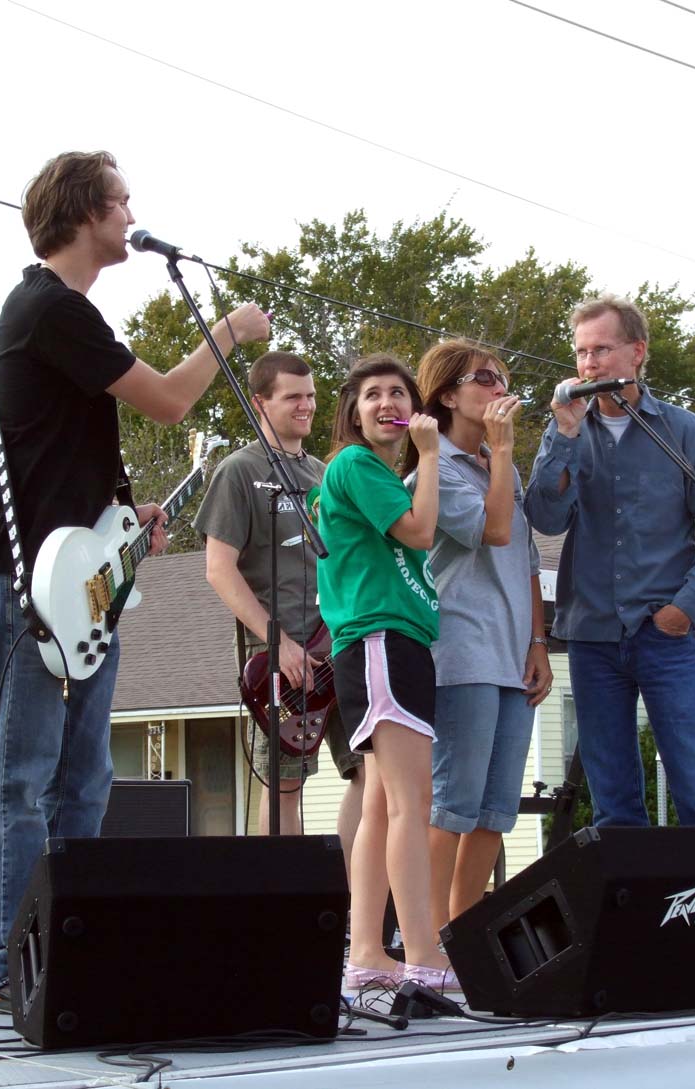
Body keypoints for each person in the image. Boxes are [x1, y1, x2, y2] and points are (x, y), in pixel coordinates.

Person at [0, 150, 270, 1014]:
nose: (133, 212)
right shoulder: (46, 307)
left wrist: (128, 532)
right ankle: (8, 963)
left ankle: (63, 949)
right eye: (122, 199)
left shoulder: (67, 319)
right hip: (23, 583)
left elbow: (66, 460)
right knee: (20, 778)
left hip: (75, 579)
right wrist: (231, 332)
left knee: (84, 781)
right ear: (83, 210)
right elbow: (171, 400)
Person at [524, 293, 695, 828]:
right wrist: (565, 433)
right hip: (594, 637)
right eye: (580, 352)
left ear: (637, 352)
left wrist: (686, 607)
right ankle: (634, 912)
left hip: (664, 634)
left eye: (602, 349)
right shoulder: (566, 432)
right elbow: (545, 518)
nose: (589, 363)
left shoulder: (684, 432)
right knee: (613, 800)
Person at [317, 353, 460, 992]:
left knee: (379, 804)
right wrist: (430, 457)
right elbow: (421, 532)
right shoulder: (355, 465)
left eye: (398, 393)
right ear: (352, 412)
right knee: (412, 803)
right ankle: (425, 952)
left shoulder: (374, 473)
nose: (387, 404)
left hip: (390, 641)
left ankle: (368, 952)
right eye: (372, 394)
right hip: (380, 639)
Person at [193, 351, 365, 849]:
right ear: (260, 403)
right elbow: (218, 569)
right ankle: (290, 915)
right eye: (293, 397)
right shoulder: (238, 471)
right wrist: (281, 641)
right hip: (278, 657)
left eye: (311, 395)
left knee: (368, 770)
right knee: (285, 784)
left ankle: (355, 906)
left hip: (341, 645)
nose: (306, 406)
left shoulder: (324, 472)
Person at [410, 339, 552, 939]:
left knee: (496, 811)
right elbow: (493, 532)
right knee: (453, 806)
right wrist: (502, 450)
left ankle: (461, 936)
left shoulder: (503, 466)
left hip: (514, 653)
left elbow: (524, 558)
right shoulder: (433, 465)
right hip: (462, 651)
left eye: (502, 377)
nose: (500, 388)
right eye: (485, 378)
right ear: (448, 394)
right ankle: (424, 944)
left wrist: (539, 641)